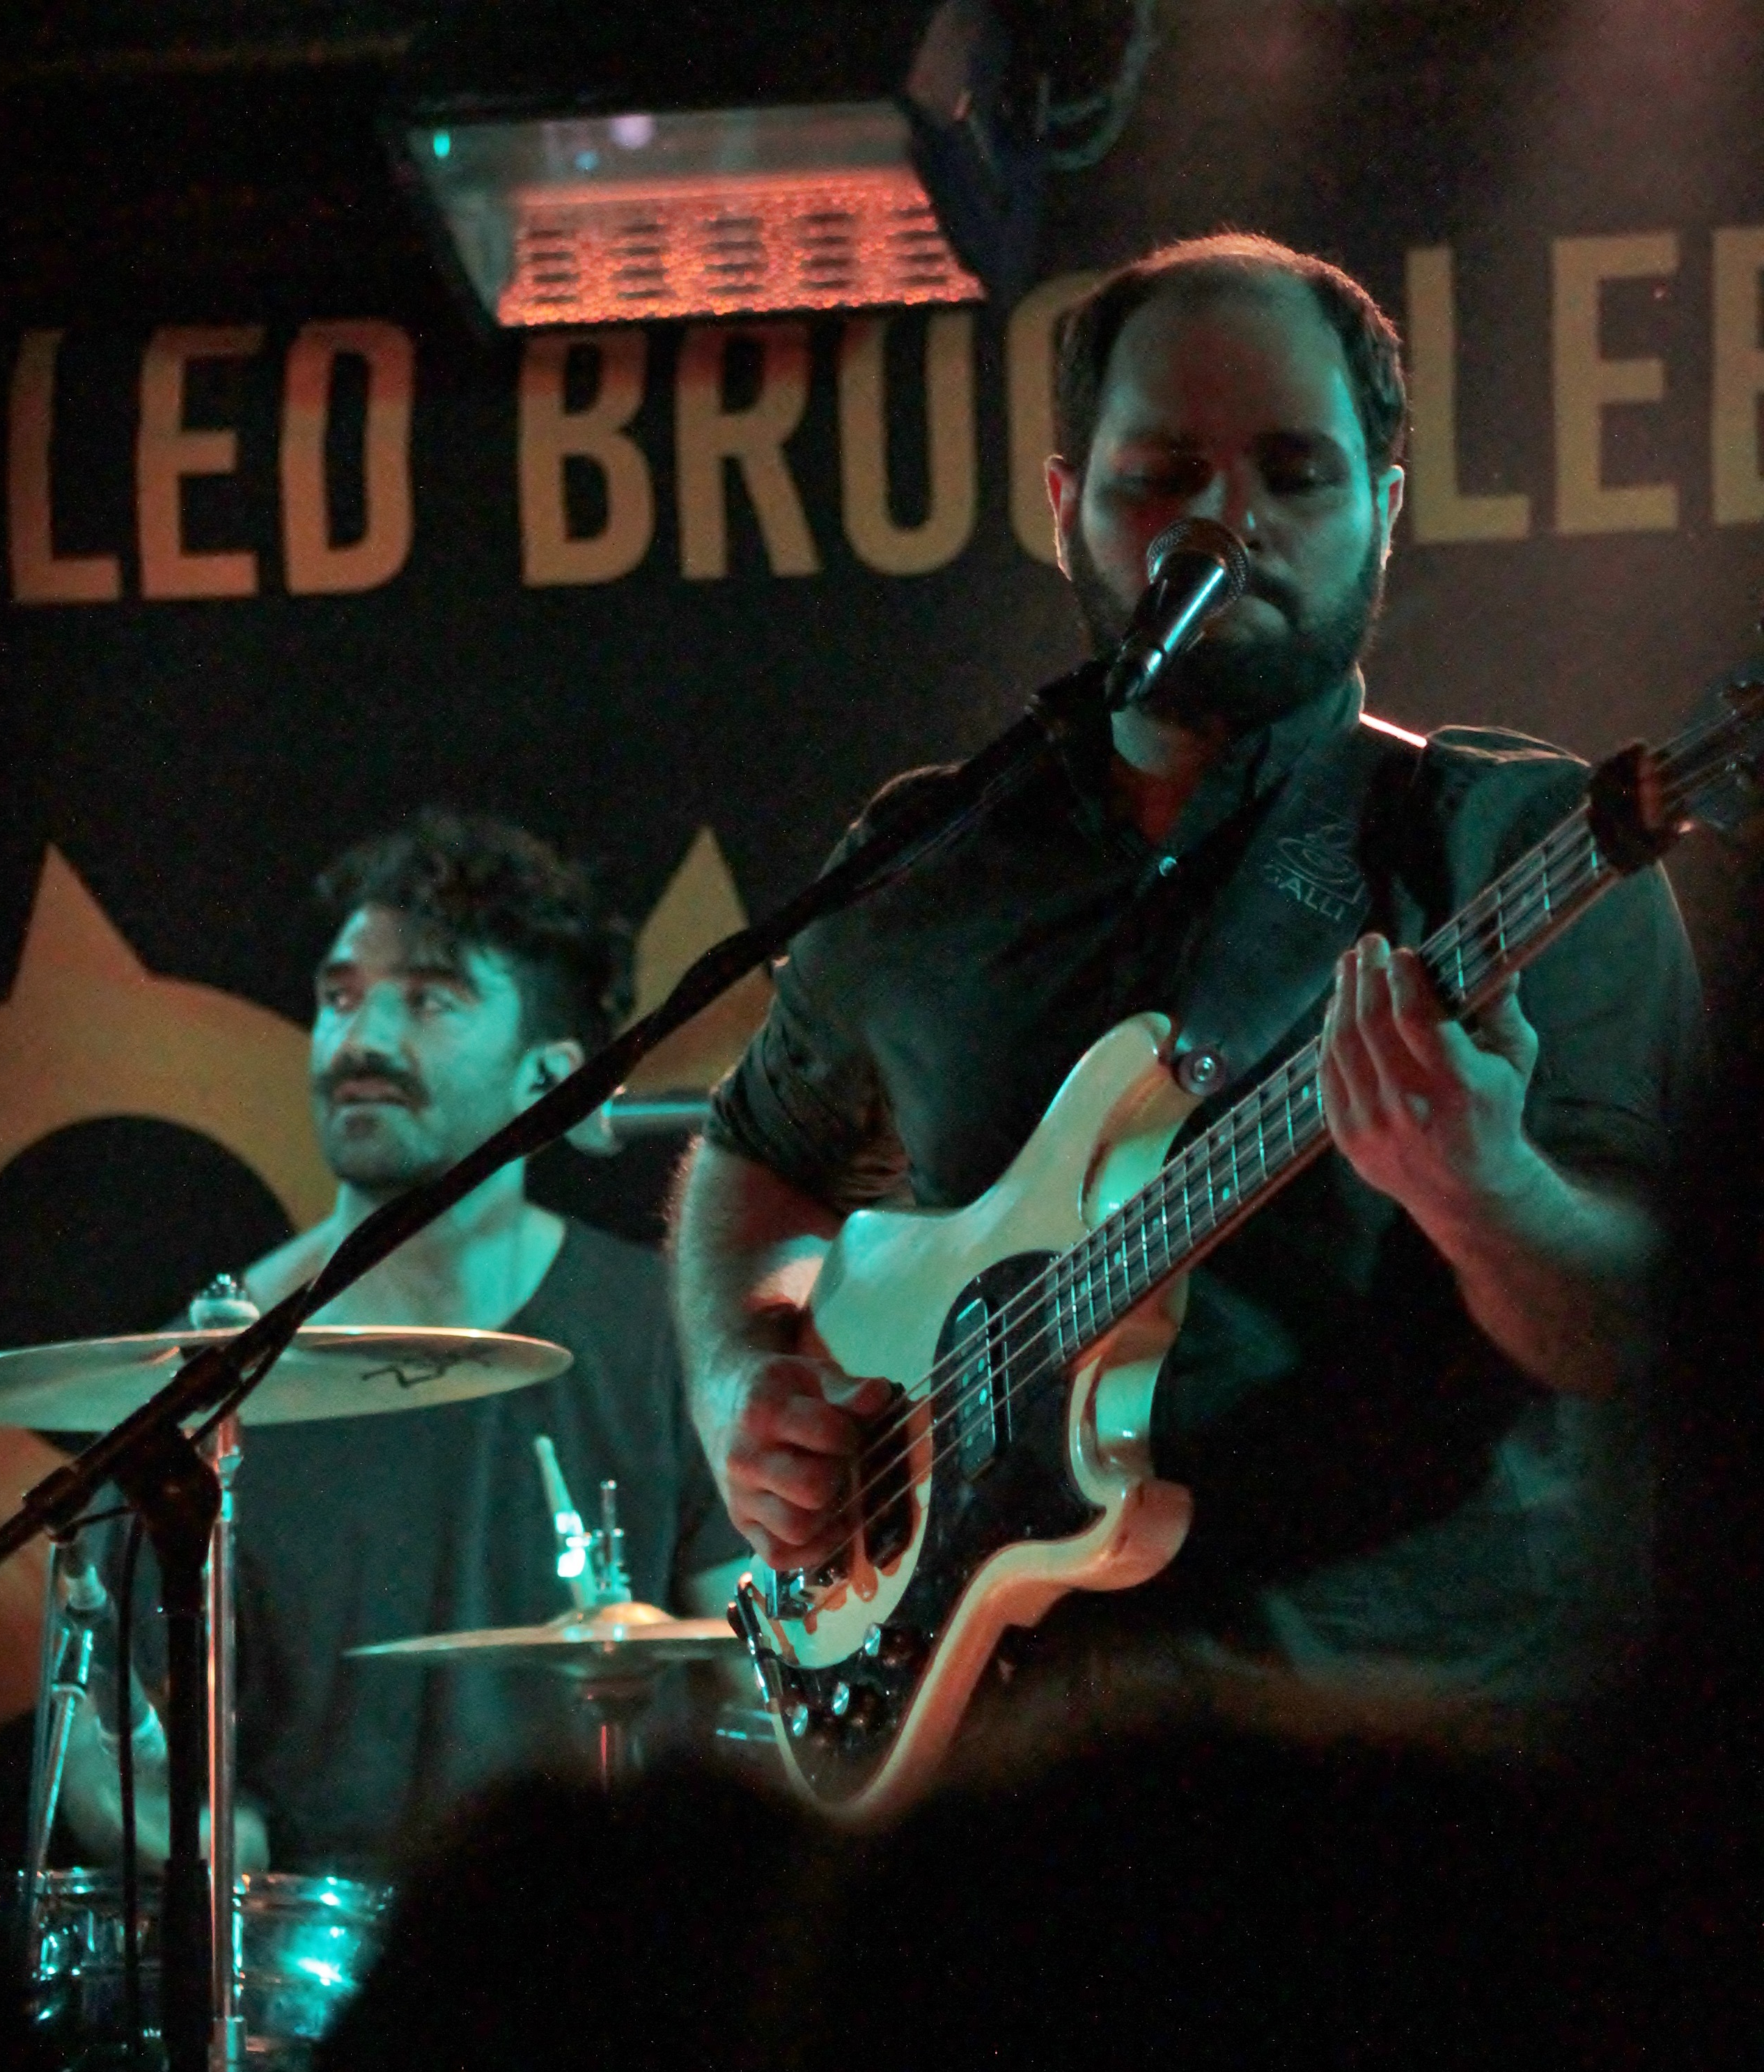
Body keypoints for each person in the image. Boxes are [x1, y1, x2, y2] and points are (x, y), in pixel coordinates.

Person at [673, 233, 1703, 1740]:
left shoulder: (1517, 851)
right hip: (1000, 1762)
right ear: (1063, 508)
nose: (1226, 521)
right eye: (1161, 476)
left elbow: (1639, 1331)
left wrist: (1482, 1190)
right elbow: (754, 1153)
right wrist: (735, 1379)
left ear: (1386, 509)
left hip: (1414, 1759)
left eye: (1295, 474)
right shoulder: (926, 861)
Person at [64, 809, 745, 1877]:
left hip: (615, 1940)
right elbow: (114, 1752)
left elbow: (757, 1692)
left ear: (551, 1077)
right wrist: (190, 1848)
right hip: (323, 1964)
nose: (359, 1044)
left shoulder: (668, 1329)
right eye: (340, 997)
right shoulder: (205, 1369)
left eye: (428, 999)